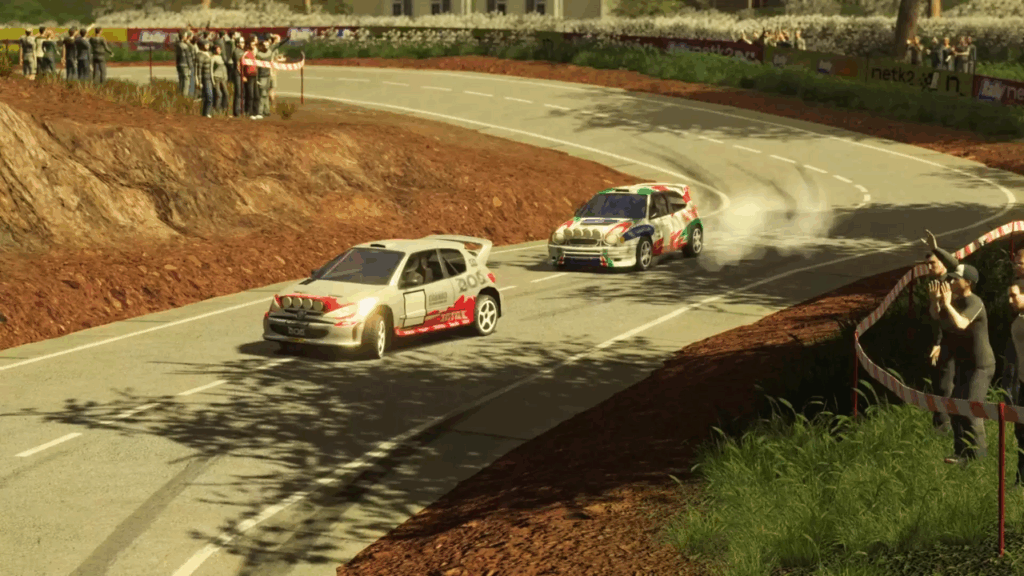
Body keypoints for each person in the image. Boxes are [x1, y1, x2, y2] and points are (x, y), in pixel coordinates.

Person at [932, 263, 995, 465]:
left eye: (955, 279)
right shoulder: (956, 301)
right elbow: (939, 318)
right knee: (955, 407)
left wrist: (948, 304)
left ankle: (979, 459)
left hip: (981, 365)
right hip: (964, 363)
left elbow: (961, 323)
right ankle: (961, 453)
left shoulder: (975, 302)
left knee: (971, 409)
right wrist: (936, 301)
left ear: (968, 282)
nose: (951, 281)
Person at [921, 230, 958, 432]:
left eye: (933, 263)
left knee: (945, 384)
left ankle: (946, 426)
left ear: (942, 263)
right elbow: (935, 316)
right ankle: (938, 424)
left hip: (949, 341)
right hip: (936, 339)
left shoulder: (952, 280)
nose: (929, 267)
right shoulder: (934, 283)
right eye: (927, 264)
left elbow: (946, 319)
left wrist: (936, 248)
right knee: (937, 383)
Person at [999, 278, 1024, 488]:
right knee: (1021, 433)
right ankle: (1021, 480)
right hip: (1023, 384)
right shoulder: (1018, 320)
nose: (1010, 300)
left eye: (1014, 295)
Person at [240, 36, 260, 119]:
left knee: (256, 95)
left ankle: (256, 112)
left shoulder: (253, 53)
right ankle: (249, 112)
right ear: (249, 44)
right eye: (252, 43)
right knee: (250, 95)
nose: (254, 45)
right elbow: (241, 66)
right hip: (249, 76)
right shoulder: (246, 53)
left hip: (255, 75)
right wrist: (243, 76)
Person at [255, 37, 273, 118]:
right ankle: (260, 111)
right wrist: (257, 79)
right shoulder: (259, 55)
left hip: (268, 75)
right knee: (263, 94)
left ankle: (267, 111)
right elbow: (257, 67)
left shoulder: (270, 52)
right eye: (264, 45)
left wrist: (287, 38)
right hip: (261, 77)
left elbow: (278, 44)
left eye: (267, 45)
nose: (266, 47)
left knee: (266, 94)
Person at [196, 40, 214, 118]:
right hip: (205, 77)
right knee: (209, 96)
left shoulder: (209, 53)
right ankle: (206, 113)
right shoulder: (200, 55)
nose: (208, 46)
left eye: (208, 45)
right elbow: (198, 69)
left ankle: (206, 113)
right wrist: (199, 81)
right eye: (206, 45)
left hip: (210, 76)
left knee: (208, 96)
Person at [211, 44, 229, 114]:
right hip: (216, 77)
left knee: (226, 93)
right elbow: (211, 70)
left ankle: (224, 108)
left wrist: (226, 77)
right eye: (218, 49)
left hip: (223, 78)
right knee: (219, 94)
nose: (219, 50)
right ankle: (216, 109)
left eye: (220, 49)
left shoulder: (221, 57)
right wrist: (213, 81)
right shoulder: (213, 58)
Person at [231, 36, 245, 117]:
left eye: (243, 42)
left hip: (242, 74)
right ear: (237, 43)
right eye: (241, 42)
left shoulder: (242, 51)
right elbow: (238, 65)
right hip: (238, 74)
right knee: (238, 92)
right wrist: (242, 74)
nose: (243, 44)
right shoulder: (236, 51)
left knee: (242, 92)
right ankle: (236, 111)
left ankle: (241, 110)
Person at [175, 30, 193, 96]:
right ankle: (184, 96)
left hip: (179, 64)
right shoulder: (185, 46)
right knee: (186, 81)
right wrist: (191, 66)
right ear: (183, 37)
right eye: (185, 36)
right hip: (185, 64)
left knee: (181, 80)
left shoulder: (177, 44)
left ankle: (180, 94)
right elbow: (189, 55)